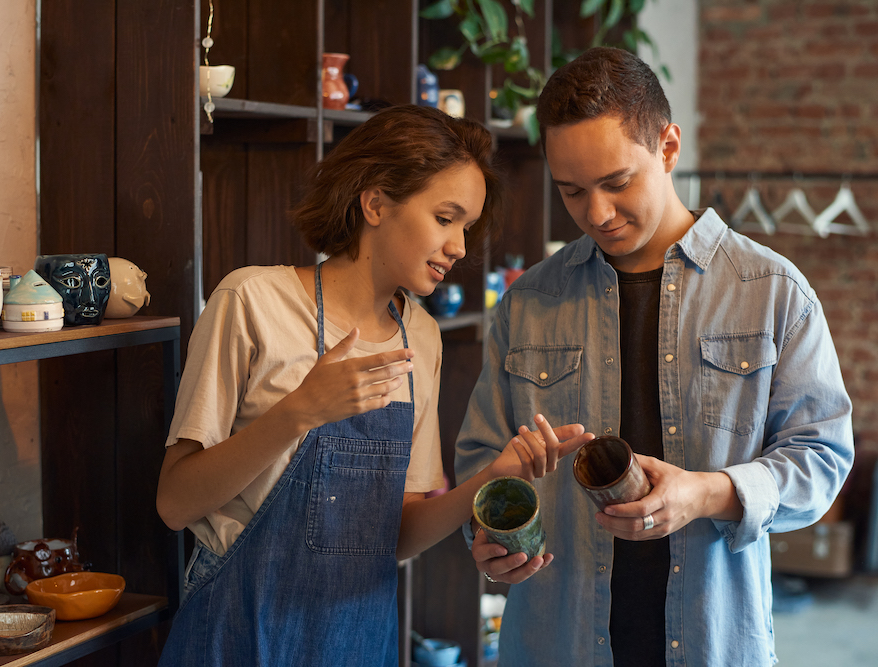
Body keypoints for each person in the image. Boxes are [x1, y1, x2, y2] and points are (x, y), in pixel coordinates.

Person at [454, 47, 854, 667]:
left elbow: (822, 460)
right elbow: (482, 460)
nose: (597, 213)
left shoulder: (772, 292)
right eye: (572, 192)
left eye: (617, 183)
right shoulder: (529, 301)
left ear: (667, 147)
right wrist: (485, 534)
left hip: (713, 640)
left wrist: (708, 493)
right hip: (555, 642)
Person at [154, 104, 593, 667]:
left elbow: (393, 538)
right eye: (445, 218)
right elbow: (174, 503)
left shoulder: (422, 337)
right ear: (377, 201)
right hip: (239, 634)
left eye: (467, 226)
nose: (460, 245)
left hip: (359, 640)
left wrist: (490, 477)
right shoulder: (251, 302)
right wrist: (300, 411)